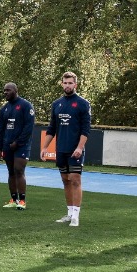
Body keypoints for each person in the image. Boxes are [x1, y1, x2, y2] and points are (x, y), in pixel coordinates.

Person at [48, 73, 92, 226]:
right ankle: (69, 213)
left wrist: (80, 147)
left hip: (75, 150)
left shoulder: (83, 104)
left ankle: (76, 216)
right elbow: (52, 128)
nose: (67, 85)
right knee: (65, 180)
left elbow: (86, 129)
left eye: (70, 83)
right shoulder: (56, 104)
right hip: (61, 149)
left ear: (75, 85)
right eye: (65, 83)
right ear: (62, 84)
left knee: (75, 179)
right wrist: (45, 147)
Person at [0, 83, 35, 209]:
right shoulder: (4, 109)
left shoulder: (26, 105)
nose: (5, 92)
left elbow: (28, 127)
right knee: (11, 172)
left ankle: (22, 201)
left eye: (8, 90)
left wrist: (18, 142)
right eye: (4, 90)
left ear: (15, 90)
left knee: (19, 170)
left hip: (22, 145)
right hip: (7, 145)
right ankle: (13, 199)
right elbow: (1, 130)